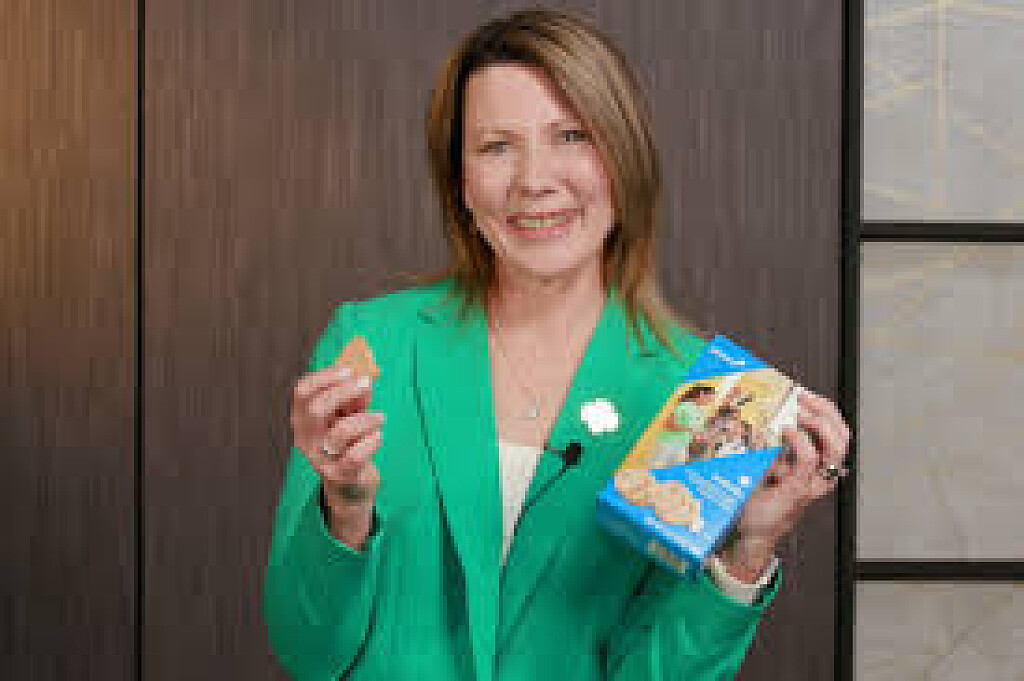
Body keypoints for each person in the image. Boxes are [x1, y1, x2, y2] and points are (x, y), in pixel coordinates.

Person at [262, 8, 850, 681]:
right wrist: (344, 506)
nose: (534, 180)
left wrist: (745, 552)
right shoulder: (373, 345)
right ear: (460, 183)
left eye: (571, 136)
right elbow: (307, 650)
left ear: (623, 161)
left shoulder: (700, 397)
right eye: (496, 146)